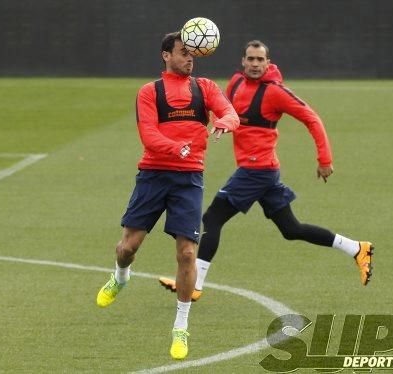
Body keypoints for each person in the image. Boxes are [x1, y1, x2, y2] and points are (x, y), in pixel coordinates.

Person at [159, 40, 373, 302]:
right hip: (262, 172)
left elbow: (311, 118)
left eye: (261, 60)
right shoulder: (235, 83)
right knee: (291, 229)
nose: (255, 64)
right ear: (243, 61)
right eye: (251, 59)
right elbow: (224, 112)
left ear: (268, 63)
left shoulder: (275, 92)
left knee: (213, 218)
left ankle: (195, 284)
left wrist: (324, 159)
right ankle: (357, 248)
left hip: (256, 171)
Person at [95, 31, 239, 360]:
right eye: (183, 52)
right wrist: (178, 147)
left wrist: (225, 123)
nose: (190, 58)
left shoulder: (205, 88)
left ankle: (181, 326)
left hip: (188, 180)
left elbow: (230, 112)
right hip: (153, 175)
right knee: (128, 247)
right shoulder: (150, 92)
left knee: (187, 254)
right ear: (166, 55)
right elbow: (148, 134)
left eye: (193, 53)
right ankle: (120, 276)